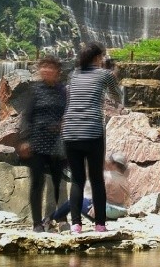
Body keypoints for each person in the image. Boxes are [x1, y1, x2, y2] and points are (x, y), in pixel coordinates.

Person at [60, 42, 122, 233]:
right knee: (96, 179)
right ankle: (100, 224)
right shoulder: (105, 75)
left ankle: (76, 225)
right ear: (97, 58)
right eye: (102, 56)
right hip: (92, 130)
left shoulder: (74, 75)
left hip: (70, 131)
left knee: (77, 179)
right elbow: (118, 96)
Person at [18, 55, 67, 232]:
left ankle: (60, 218)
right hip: (37, 141)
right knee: (37, 183)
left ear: (57, 71)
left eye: (50, 67)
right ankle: (37, 222)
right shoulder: (35, 90)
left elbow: (68, 112)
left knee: (57, 182)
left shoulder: (63, 91)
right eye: (43, 67)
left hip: (57, 143)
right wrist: (24, 140)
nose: (46, 70)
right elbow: (26, 116)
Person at [44, 153, 130, 228]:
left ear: (114, 164)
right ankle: (59, 219)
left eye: (110, 161)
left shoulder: (108, 176)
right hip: (119, 212)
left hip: (106, 212)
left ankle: (48, 220)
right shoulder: (125, 180)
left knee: (73, 201)